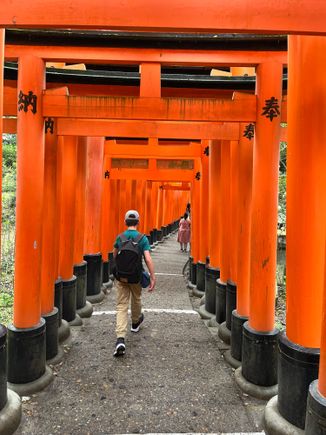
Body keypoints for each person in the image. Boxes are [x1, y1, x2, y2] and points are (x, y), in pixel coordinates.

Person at [112, 210, 156, 357]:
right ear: (138, 222)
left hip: (121, 276)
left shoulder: (120, 237)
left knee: (121, 305)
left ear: (125, 222)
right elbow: (148, 259)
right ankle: (135, 323)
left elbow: (114, 254)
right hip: (135, 276)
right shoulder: (142, 239)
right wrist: (152, 276)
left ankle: (120, 339)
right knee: (136, 299)